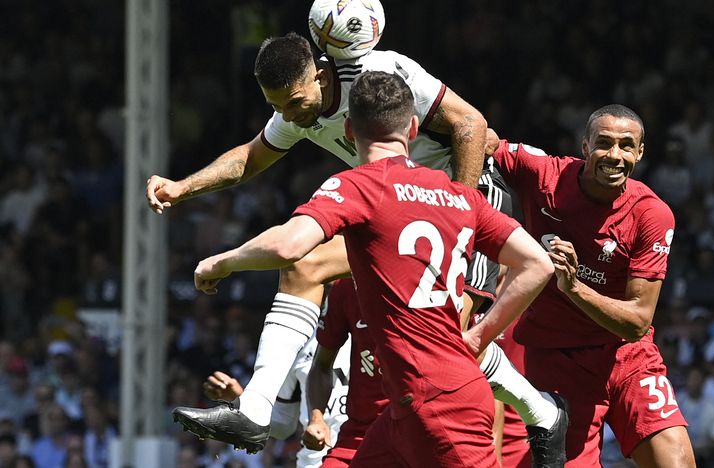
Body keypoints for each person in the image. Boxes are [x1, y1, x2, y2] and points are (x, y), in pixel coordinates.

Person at [154, 27, 564, 453]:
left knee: (446, 341)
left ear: (323, 79)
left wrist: (458, 207)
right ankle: (255, 408)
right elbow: (250, 158)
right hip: (390, 207)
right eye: (277, 108)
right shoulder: (303, 114)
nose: (289, 117)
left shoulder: (382, 74)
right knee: (303, 267)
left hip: (458, 203)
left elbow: (471, 124)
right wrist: (183, 187)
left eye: (294, 103)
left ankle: (541, 412)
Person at [485, 104, 696, 466]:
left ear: (640, 152)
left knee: (676, 462)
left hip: (626, 358)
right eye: (604, 143)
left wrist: (574, 287)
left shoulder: (652, 214)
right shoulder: (545, 175)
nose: (615, 156)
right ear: (585, 147)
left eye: (626, 146)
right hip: (556, 361)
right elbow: (479, 137)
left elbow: (637, 322)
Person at [203, 328, 351, 468]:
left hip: (367, 453)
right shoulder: (298, 339)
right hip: (317, 462)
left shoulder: (371, 325)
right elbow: (282, 427)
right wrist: (239, 399)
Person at [302, 278, 388, 466]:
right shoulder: (344, 287)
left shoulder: (431, 278)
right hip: (360, 433)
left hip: (419, 428)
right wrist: (317, 418)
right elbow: (321, 365)